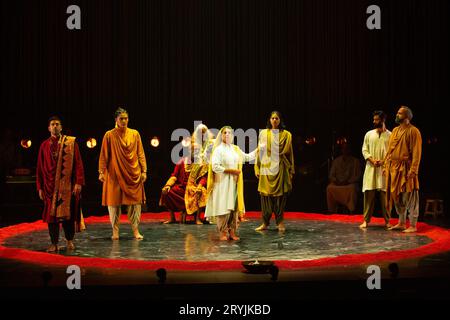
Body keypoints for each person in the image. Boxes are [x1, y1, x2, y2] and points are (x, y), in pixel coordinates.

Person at [36, 116, 85, 252]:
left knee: (67, 215)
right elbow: (39, 168)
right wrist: (39, 187)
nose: (55, 126)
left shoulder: (71, 143)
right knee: (51, 218)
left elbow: (78, 164)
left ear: (61, 127)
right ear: (49, 128)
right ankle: (54, 243)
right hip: (49, 187)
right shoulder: (44, 146)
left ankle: (69, 241)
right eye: (52, 124)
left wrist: (78, 183)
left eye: (57, 124)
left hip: (67, 186)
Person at [99, 108, 147, 240]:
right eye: (121, 118)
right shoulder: (109, 135)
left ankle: (136, 230)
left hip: (133, 173)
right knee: (114, 204)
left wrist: (144, 170)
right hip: (114, 174)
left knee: (135, 204)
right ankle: (115, 231)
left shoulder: (135, 134)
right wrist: (101, 171)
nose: (124, 121)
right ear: (116, 120)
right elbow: (104, 155)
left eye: (126, 118)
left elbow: (140, 153)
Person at [204, 126, 257, 241]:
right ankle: (223, 232)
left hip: (234, 183)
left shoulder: (235, 149)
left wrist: (258, 149)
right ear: (221, 135)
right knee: (223, 207)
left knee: (234, 207)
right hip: (222, 182)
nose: (227, 135)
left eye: (229, 133)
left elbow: (247, 157)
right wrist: (231, 171)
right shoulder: (218, 150)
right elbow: (215, 167)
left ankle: (232, 231)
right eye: (225, 133)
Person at [254, 111, 295, 232]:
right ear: (269, 120)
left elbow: (290, 153)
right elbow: (259, 151)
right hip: (266, 167)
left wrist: (291, 168)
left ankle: (280, 222)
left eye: (277, 118)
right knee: (265, 196)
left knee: (280, 197)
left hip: (280, 168)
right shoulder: (263, 133)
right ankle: (265, 223)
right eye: (272, 118)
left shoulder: (286, 135)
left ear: (280, 120)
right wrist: (257, 167)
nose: (274, 120)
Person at [385, 106, 422, 233]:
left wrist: (413, 170)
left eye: (399, 113)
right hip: (394, 169)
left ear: (406, 116)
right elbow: (389, 150)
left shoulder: (413, 131)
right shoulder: (395, 130)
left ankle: (412, 224)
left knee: (409, 196)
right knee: (397, 197)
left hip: (406, 169)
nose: (397, 114)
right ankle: (401, 222)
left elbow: (417, 152)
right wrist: (386, 165)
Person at [360, 111, 392, 229]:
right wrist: (372, 160)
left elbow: (391, 152)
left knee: (385, 196)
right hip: (371, 168)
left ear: (383, 120)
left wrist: (384, 161)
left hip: (384, 169)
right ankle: (366, 221)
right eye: (373, 119)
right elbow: (364, 150)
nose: (374, 122)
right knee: (368, 195)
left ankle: (388, 221)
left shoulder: (390, 135)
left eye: (376, 120)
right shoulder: (369, 134)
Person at [184, 124, 214, 224]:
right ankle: (196, 218)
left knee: (203, 190)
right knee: (196, 190)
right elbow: (188, 163)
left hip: (206, 174)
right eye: (200, 133)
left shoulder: (210, 144)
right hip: (194, 176)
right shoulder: (193, 145)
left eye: (204, 132)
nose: (202, 135)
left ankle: (205, 217)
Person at [326, 143, 362, 213]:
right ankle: (332, 210)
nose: (345, 150)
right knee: (329, 188)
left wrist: (348, 181)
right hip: (338, 184)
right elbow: (331, 175)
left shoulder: (355, 161)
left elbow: (358, 176)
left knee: (352, 188)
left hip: (349, 184)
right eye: (344, 149)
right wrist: (336, 181)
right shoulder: (336, 161)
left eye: (347, 149)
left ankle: (351, 209)